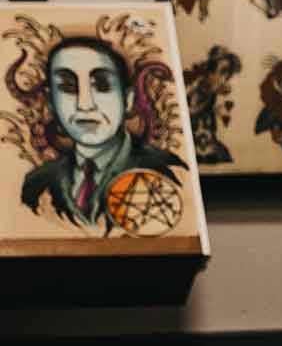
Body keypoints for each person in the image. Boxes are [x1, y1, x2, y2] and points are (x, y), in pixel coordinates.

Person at [22, 35, 187, 230]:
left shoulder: (167, 172)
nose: (84, 105)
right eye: (67, 87)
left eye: (102, 86)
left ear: (128, 99)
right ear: (51, 101)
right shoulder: (37, 185)